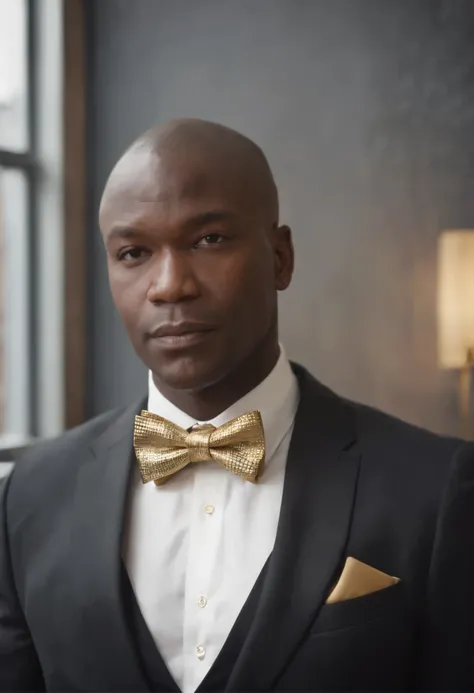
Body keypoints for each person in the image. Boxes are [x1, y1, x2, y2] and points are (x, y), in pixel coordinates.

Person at [1, 118, 473, 693]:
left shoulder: (436, 488)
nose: (170, 285)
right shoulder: (29, 494)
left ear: (281, 258)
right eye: (134, 252)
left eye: (209, 240)